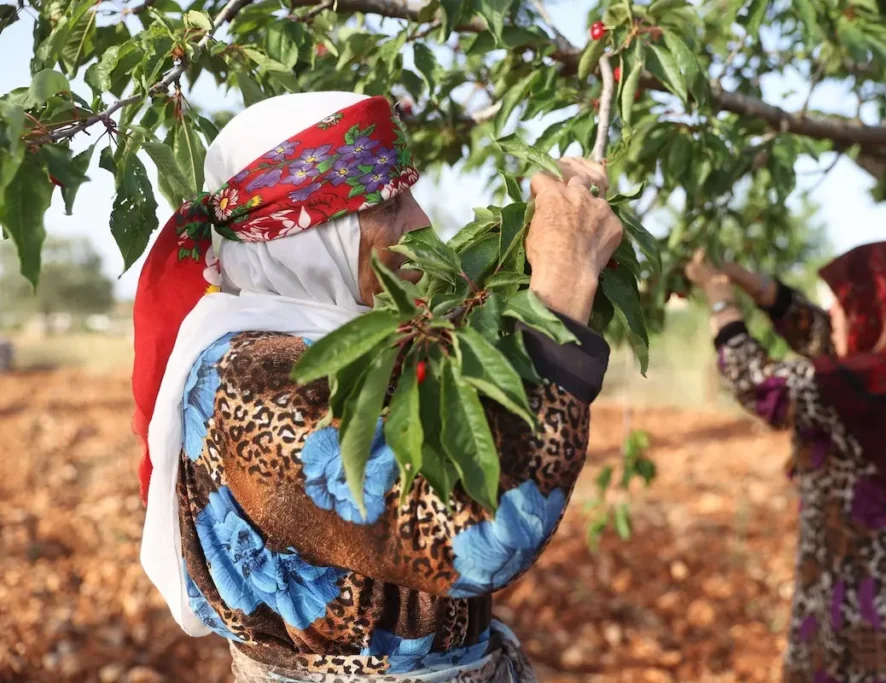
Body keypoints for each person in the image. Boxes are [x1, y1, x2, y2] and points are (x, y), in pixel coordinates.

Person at [131, 92, 622, 682]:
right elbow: (480, 535)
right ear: (308, 234)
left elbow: (478, 415)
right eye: (389, 203)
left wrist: (535, 247)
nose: (420, 222)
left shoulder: (357, 344)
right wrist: (562, 284)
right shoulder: (247, 381)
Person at [686, 242, 886, 683]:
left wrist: (719, 294)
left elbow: (758, 383)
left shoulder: (859, 388)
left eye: (844, 302)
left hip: (861, 618)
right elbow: (823, 337)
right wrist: (753, 282)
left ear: (877, 308)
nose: (832, 311)